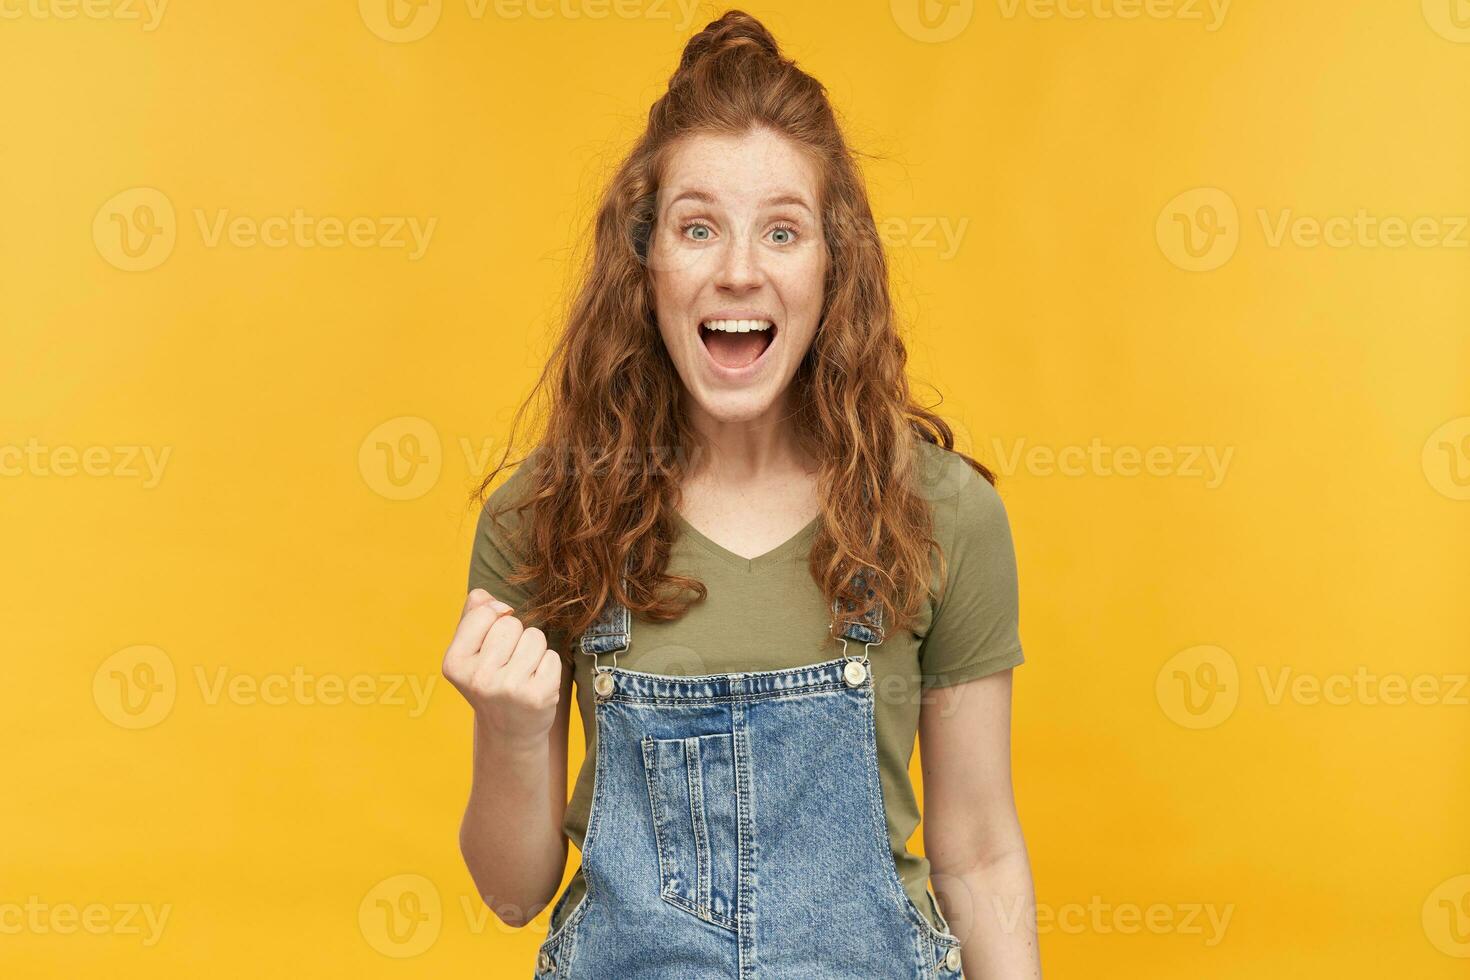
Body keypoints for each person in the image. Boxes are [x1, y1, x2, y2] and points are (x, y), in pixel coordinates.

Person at [442, 10, 1040, 978]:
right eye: (698, 226)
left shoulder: (941, 512)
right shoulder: (542, 517)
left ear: (831, 264)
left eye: (782, 230)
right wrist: (511, 732)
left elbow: (977, 848)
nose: (739, 269)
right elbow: (514, 891)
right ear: (645, 261)